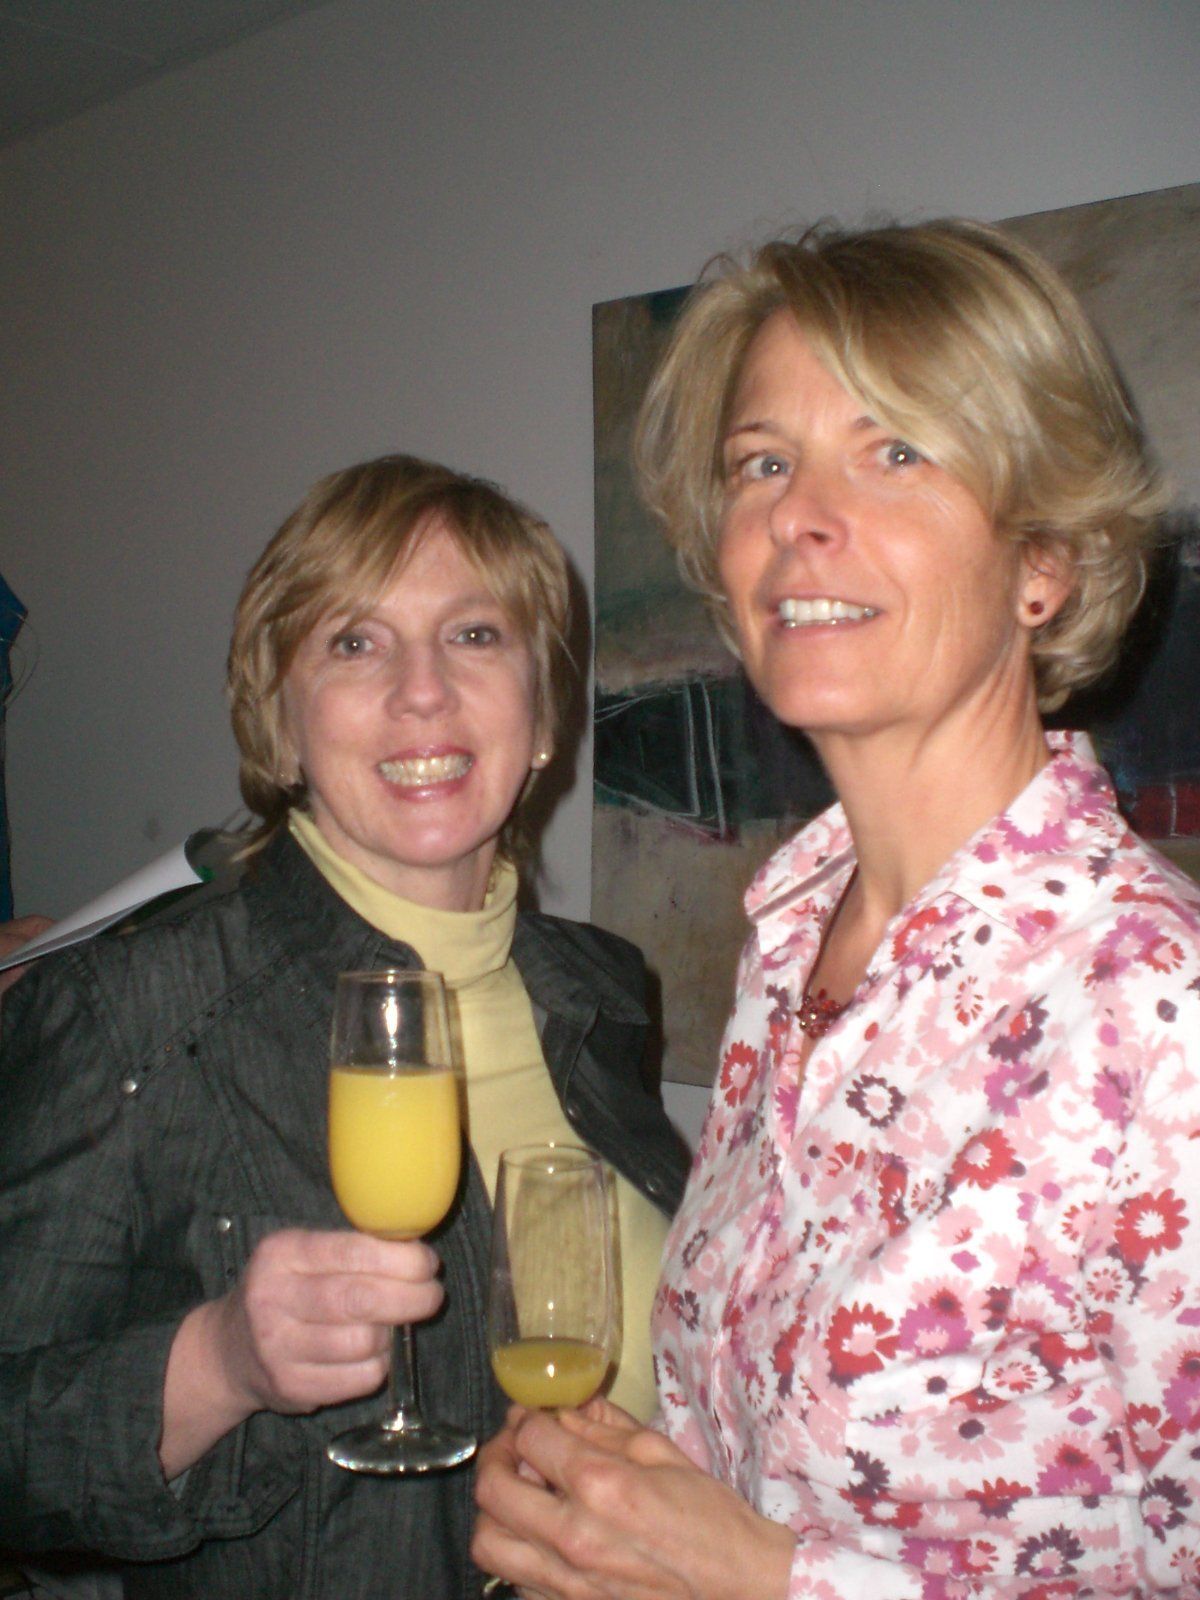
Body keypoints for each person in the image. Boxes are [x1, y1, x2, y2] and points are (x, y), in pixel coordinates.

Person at [472, 219, 1200, 1598]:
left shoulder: (1159, 1012)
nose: (795, 515)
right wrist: (634, 1520)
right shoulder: (795, 939)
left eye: (896, 452)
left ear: (1043, 563)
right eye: (763, 462)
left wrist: (765, 1581)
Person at [0, 454, 688, 1600]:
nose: (423, 691)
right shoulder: (134, 1006)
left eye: (474, 634)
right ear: (281, 720)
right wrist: (217, 1362)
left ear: (541, 713)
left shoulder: (601, 989)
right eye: (356, 642)